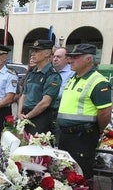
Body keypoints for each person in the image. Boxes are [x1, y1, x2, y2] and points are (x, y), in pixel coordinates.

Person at [57, 44, 112, 180]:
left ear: (88, 59)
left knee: (80, 176)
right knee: (63, 173)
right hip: (66, 135)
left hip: (82, 137)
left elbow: (105, 113)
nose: (70, 60)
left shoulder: (98, 82)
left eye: (75, 57)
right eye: (70, 57)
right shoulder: (74, 78)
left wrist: (97, 130)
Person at [17, 39, 61, 135]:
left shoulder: (52, 75)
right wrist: (19, 113)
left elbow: (45, 102)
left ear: (47, 53)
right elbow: (24, 95)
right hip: (25, 115)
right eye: (33, 51)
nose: (33, 54)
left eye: (37, 51)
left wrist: (28, 116)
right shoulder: (32, 72)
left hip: (40, 118)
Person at [51, 46, 75, 143]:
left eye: (59, 57)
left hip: (60, 113)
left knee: (57, 142)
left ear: (67, 59)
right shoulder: (50, 71)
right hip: (47, 112)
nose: (55, 59)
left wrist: (47, 95)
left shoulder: (72, 73)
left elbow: (61, 93)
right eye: (54, 56)